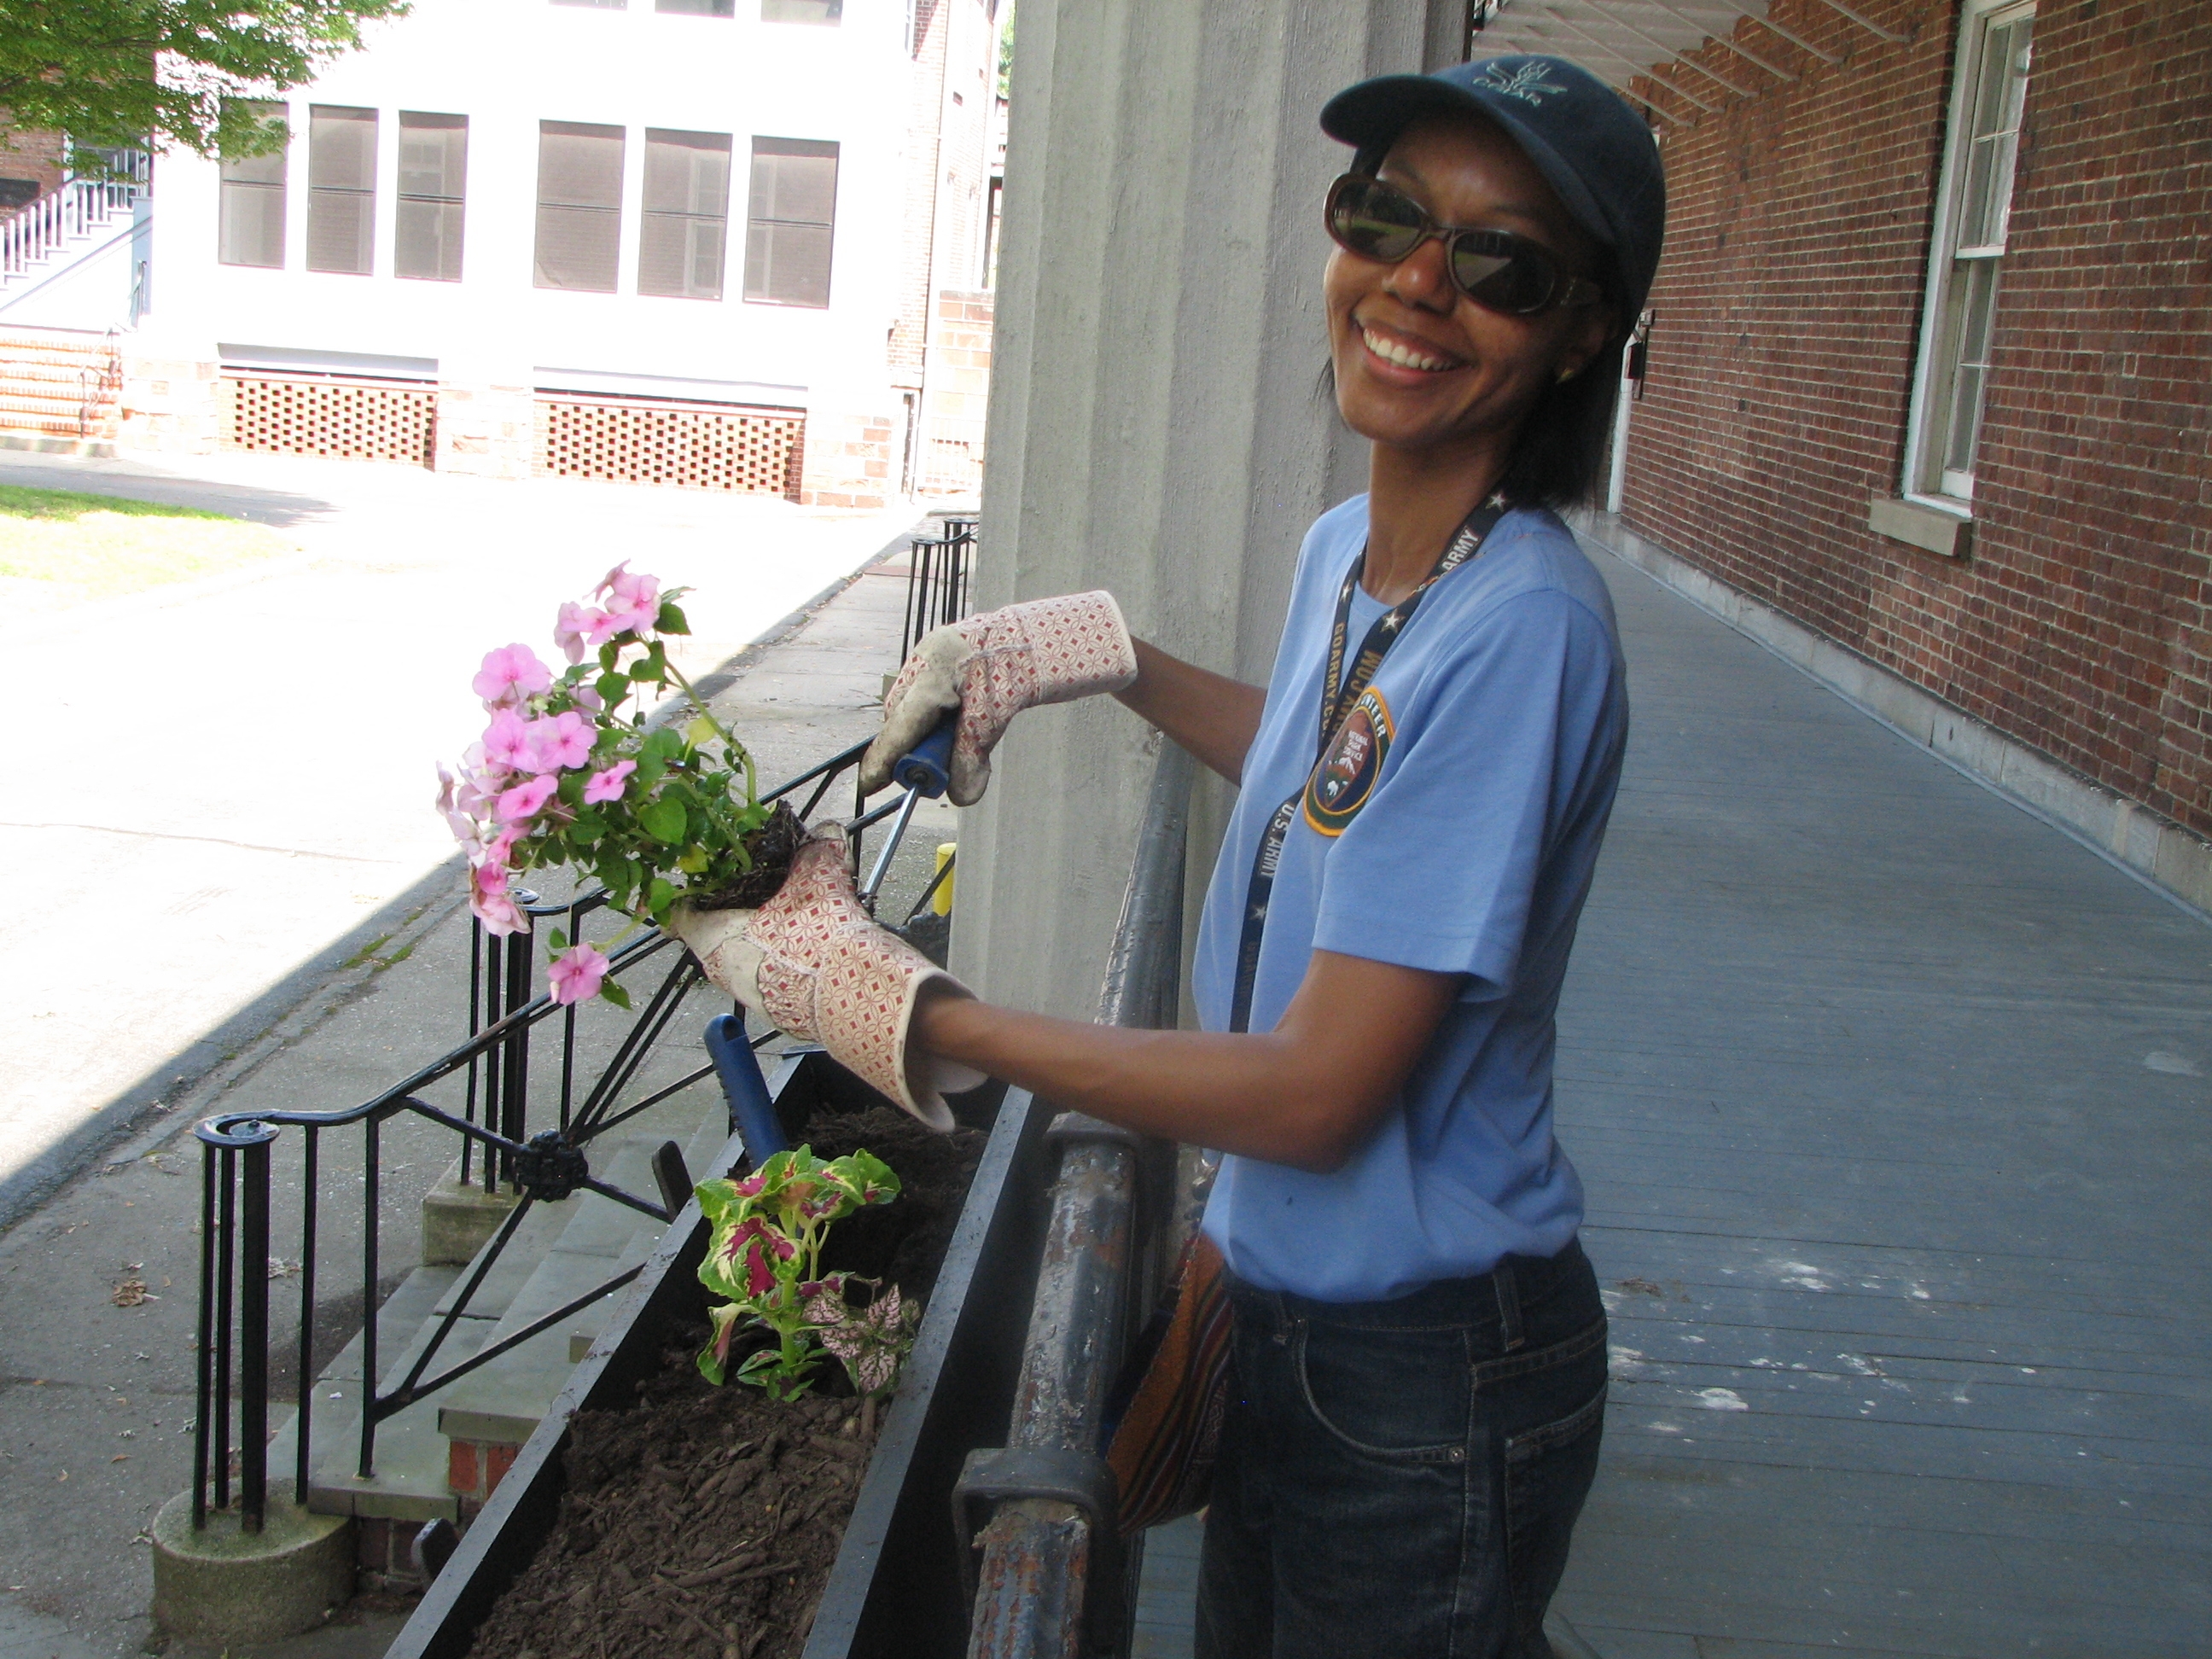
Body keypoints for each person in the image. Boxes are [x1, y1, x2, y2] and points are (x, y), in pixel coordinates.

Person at [672, 53, 1666, 1659]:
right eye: (1390, 211)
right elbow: (1349, 776)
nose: (1420, 280)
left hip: (1424, 1370)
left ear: (1580, 334)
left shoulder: (1527, 626)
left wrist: (914, 1013)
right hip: (1297, 1318)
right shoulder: (1357, 553)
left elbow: (1319, 1094)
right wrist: (1112, 654)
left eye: (1505, 263)